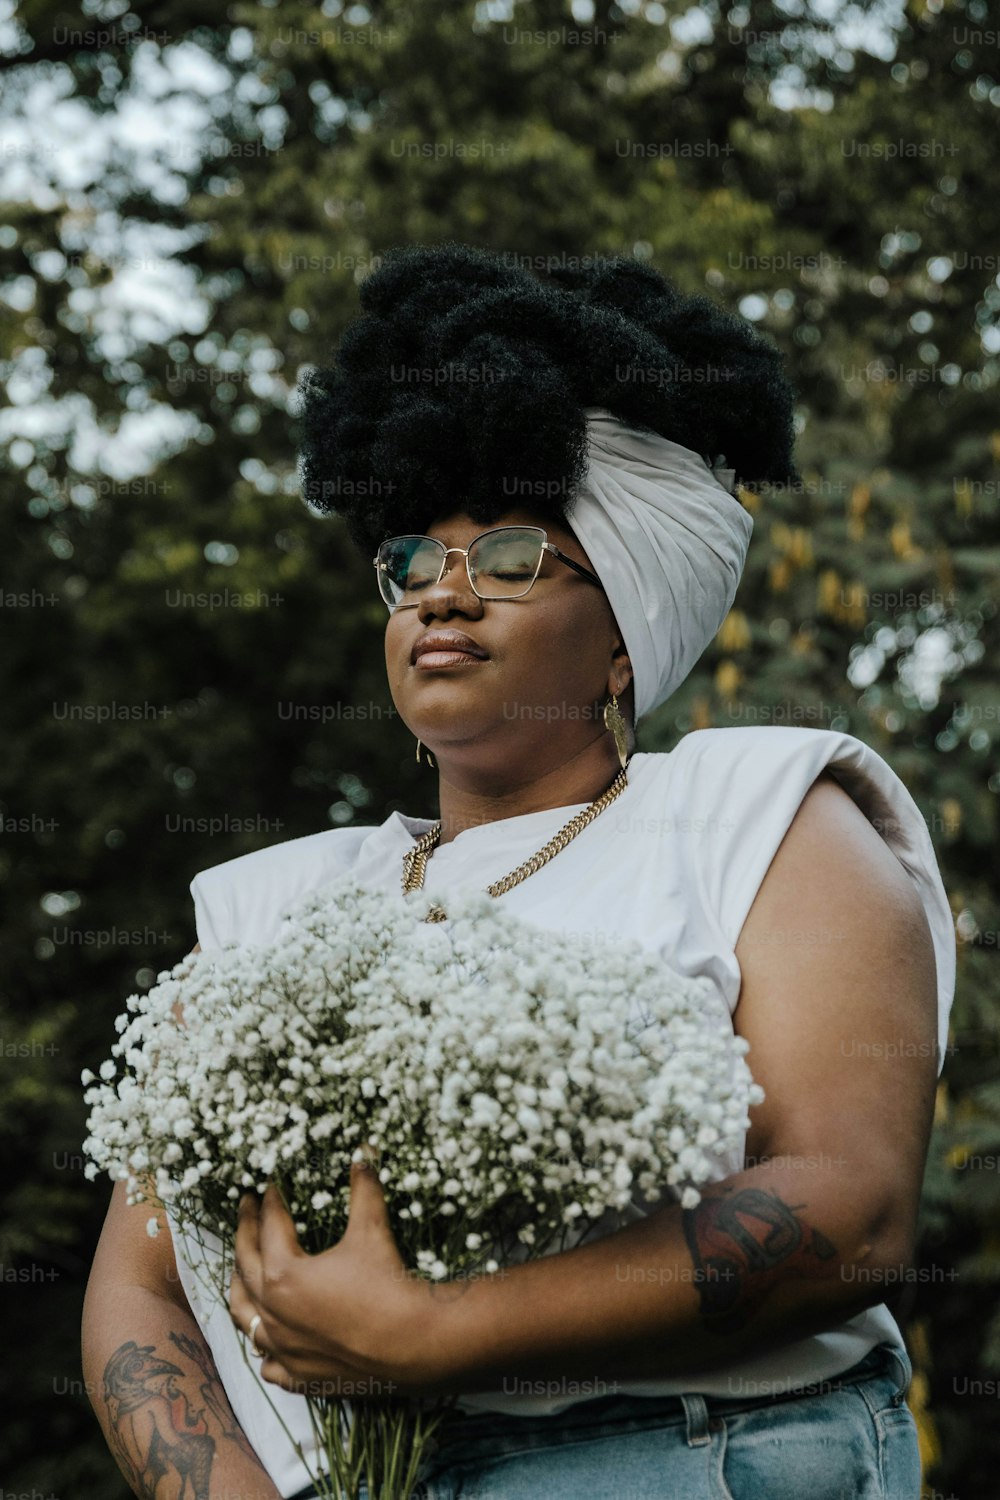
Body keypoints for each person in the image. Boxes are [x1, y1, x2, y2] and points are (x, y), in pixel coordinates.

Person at [83, 244, 954, 1500]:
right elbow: (141, 1283)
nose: (442, 596)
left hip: (695, 1455)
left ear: (622, 640)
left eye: (504, 559)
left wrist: (438, 1335)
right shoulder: (275, 908)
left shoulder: (756, 813)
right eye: (410, 564)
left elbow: (852, 1209)